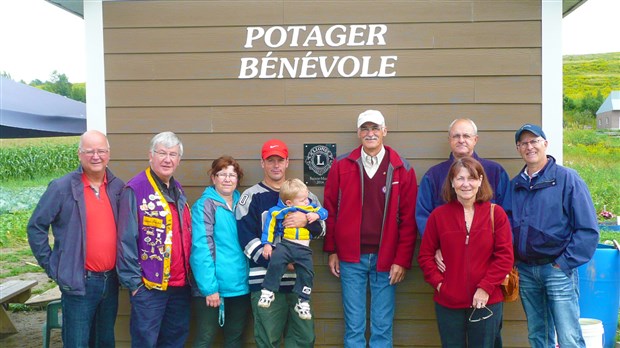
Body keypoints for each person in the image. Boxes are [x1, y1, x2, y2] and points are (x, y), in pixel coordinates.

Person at [323, 109, 418, 347]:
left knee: (382, 328)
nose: (370, 133)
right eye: (365, 128)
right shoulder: (341, 165)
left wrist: (402, 260)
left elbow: (409, 221)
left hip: (386, 259)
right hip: (350, 257)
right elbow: (330, 210)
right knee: (354, 327)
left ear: (385, 131)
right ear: (358, 133)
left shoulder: (401, 169)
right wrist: (332, 249)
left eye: (375, 128)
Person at [27, 130, 124, 347]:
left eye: (101, 151)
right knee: (77, 342)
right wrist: (54, 266)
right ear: (79, 154)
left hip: (110, 281)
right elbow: (36, 227)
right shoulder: (62, 188)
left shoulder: (118, 188)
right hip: (79, 282)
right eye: (89, 151)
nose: (95, 156)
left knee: (104, 341)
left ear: (108, 154)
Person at [508, 124, 599, 348]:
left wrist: (564, 262)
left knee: (568, 336)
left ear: (545, 144)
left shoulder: (567, 179)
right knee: (538, 334)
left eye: (534, 141)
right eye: (524, 143)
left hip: (557, 269)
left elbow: (587, 228)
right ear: (519, 148)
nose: (530, 147)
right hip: (527, 271)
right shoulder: (515, 185)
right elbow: (505, 227)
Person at [417, 157, 514, 348]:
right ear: (452, 183)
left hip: (487, 301)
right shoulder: (439, 216)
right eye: (460, 178)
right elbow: (425, 256)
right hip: (449, 303)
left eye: (471, 178)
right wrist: (440, 285)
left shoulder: (496, 214)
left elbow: (505, 257)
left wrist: (485, 288)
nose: (466, 184)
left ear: (480, 180)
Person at [236, 139, 324, 347]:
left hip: (298, 282)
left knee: (303, 339)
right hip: (266, 282)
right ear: (262, 163)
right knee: (268, 340)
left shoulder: (305, 195)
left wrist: (305, 220)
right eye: (270, 160)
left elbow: (322, 229)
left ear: (287, 163)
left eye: (280, 160)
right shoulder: (251, 196)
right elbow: (247, 240)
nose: (275, 165)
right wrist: (280, 262)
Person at [117, 131, 193, 348]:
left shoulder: (177, 189)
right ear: (150, 156)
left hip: (180, 285)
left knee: (174, 341)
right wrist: (135, 284)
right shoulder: (136, 189)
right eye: (162, 153)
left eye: (173, 154)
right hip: (149, 287)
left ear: (179, 160)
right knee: (146, 342)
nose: (167, 159)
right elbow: (125, 240)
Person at [190, 155, 250, 348]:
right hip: (213, 288)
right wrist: (210, 288)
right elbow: (201, 248)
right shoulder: (205, 205)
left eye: (232, 175)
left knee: (234, 339)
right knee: (205, 338)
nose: (227, 179)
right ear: (213, 177)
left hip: (240, 286)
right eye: (222, 174)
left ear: (237, 179)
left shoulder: (244, 204)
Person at [416, 118, 510, 236]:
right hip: (446, 250)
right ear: (449, 140)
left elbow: (507, 216)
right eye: (456, 136)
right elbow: (423, 216)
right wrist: (435, 246)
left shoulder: (495, 172)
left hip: (487, 250)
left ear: (475, 139)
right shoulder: (433, 176)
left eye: (466, 136)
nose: (461, 140)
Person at [258, 178, 328, 320]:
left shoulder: (310, 207)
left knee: (307, 272)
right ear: (289, 202)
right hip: (286, 244)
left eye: (307, 198)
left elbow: (324, 212)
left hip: (303, 248)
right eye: (303, 200)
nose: (307, 201)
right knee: (276, 261)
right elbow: (269, 227)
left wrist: (316, 215)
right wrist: (267, 244)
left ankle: (303, 301)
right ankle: (268, 290)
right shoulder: (279, 211)